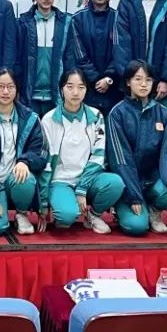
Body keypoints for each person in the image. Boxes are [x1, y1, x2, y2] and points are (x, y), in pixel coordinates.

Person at [37, 69, 123, 234]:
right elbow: (46, 164)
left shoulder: (96, 116)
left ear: (86, 90)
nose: (75, 92)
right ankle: (65, 208)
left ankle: (93, 215)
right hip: (61, 180)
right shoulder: (49, 119)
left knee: (115, 183)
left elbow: (98, 156)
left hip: (88, 179)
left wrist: (82, 188)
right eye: (70, 87)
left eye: (81, 87)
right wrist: (43, 203)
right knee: (66, 217)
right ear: (61, 89)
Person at [107, 61, 167, 236]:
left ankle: (154, 209)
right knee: (137, 227)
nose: (144, 84)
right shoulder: (117, 113)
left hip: (152, 179)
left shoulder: (164, 113)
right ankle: (125, 207)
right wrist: (133, 196)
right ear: (128, 82)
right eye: (138, 79)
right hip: (128, 184)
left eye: (148, 80)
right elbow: (121, 160)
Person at [0, 69, 46, 236]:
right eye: (0, 86)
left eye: (10, 86)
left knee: (25, 178)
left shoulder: (30, 119)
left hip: (16, 180)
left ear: (17, 88)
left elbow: (40, 154)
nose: (5, 92)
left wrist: (25, 161)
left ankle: (21, 213)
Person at [15, 0, 78, 117]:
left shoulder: (66, 22)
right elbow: (18, 59)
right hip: (29, 92)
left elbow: (69, 58)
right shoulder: (23, 22)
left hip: (56, 92)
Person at [71, 0, 121, 114]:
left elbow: (121, 51)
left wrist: (108, 78)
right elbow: (79, 54)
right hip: (85, 86)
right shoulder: (77, 19)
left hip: (113, 86)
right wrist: (96, 79)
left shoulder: (119, 18)